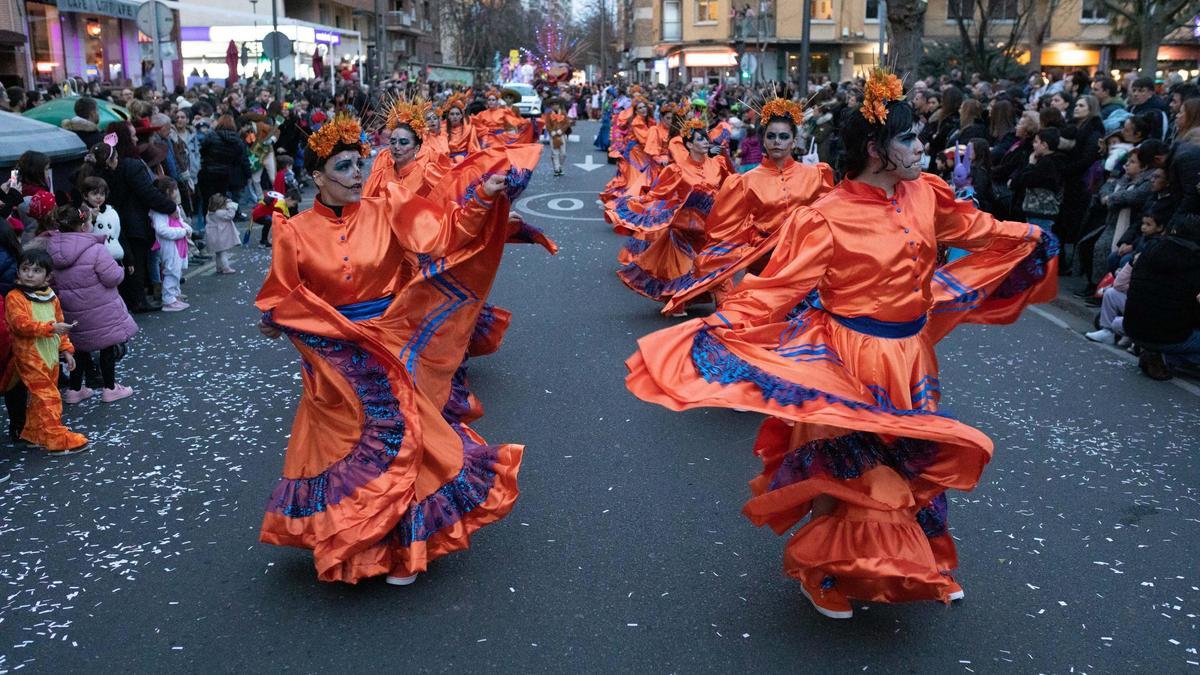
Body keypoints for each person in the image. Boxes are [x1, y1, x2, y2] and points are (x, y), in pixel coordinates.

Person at [624, 68, 1058, 619]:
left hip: (911, 356)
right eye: (909, 138)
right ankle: (820, 572)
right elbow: (776, 290)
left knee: (913, 460)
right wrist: (718, 328)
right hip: (846, 358)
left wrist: (1030, 235)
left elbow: (978, 230)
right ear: (876, 148)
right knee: (841, 467)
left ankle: (926, 559)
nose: (921, 147)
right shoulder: (825, 217)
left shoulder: (925, 193)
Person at [253, 113, 522, 585]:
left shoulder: (388, 206)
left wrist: (482, 197)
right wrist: (277, 320)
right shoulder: (292, 230)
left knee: (401, 441)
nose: (356, 174)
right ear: (317, 177)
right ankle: (356, 544)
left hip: (392, 345)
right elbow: (282, 294)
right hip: (333, 363)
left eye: (358, 164)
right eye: (343, 167)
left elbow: (446, 234)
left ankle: (401, 548)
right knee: (346, 450)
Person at [667, 98, 834, 308]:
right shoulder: (746, 181)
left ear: (793, 141)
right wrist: (743, 249)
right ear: (763, 140)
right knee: (763, 320)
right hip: (763, 264)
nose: (777, 141)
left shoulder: (816, 175)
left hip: (803, 265)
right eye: (771, 136)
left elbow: (829, 218)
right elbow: (724, 227)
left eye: (784, 136)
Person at [611, 119, 734, 313]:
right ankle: (678, 301)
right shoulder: (677, 169)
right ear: (689, 145)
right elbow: (658, 192)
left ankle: (725, 304)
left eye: (706, 139)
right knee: (682, 266)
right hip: (684, 227)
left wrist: (725, 156)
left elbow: (732, 185)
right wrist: (637, 202)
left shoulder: (717, 164)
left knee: (718, 261)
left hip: (711, 226)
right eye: (700, 139)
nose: (706, 142)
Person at [44, 205, 136, 404]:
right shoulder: (95, 249)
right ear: (85, 226)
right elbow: (112, 277)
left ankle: (75, 390)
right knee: (107, 347)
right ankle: (110, 388)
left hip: (70, 310)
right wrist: (120, 270)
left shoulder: (51, 251)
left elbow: (52, 283)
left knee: (78, 348)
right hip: (100, 309)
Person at [5, 248, 87, 454]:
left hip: (49, 356)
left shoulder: (51, 297)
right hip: (30, 357)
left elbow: (60, 325)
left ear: (48, 276)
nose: (29, 274)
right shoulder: (15, 297)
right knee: (48, 397)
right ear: (18, 271)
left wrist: (66, 350)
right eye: (25, 269)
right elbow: (21, 325)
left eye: (36, 270)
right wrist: (51, 328)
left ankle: (33, 434)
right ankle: (56, 439)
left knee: (39, 399)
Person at [100, 123, 177, 313]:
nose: (136, 139)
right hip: (134, 221)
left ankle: (131, 299)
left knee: (126, 262)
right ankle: (138, 300)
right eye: (132, 135)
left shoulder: (106, 165)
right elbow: (147, 192)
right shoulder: (132, 165)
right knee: (136, 263)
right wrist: (170, 207)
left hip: (115, 220)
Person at [150, 176, 192, 312]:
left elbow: (180, 221)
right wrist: (182, 232)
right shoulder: (159, 211)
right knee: (171, 271)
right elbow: (161, 230)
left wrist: (187, 229)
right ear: (168, 191)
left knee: (177, 270)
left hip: (178, 244)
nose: (177, 192)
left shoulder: (172, 207)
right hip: (169, 245)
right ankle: (168, 299)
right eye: (175, 189)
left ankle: (175, 294)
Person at [204, 194, 240, 274]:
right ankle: (226, 268)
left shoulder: (209, 213)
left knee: (218, 253)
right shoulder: (220, 213)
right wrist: (231, 206)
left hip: (213, 237)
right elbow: (231, 215)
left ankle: (219, 267)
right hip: (220, 237)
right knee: (223, 253)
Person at [542, 98, 573, 177]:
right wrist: (551, 131)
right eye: (553, 105)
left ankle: (560, 167)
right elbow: (547, 124)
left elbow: (567, 123)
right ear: (551, 106)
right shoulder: (548, 114)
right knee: (555, 153)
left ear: (559, 105)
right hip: (553, 136)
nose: (555, 106)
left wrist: (561, 130)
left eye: (556, 104)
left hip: (561, 135)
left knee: (563, 153)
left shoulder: (563, 113)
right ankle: (556, 168)